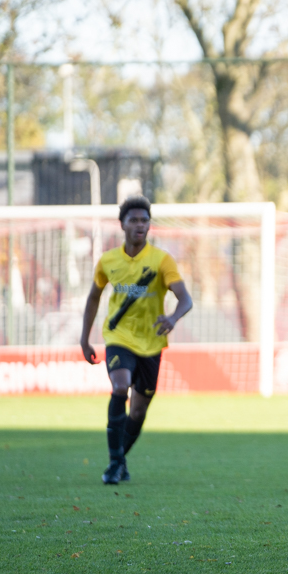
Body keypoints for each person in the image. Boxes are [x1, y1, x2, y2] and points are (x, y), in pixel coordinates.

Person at [80, 196, 193, 485]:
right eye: (134, 220)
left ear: (149, 225)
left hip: (152, 343)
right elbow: (93, 297)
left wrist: (173, 318)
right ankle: (115, 464)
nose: (140, 225)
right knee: (120, 387)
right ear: (123, 225)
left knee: (139, 411)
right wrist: (85, 338)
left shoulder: (161, 260)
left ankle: (118, 462)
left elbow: (185, 299)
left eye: (144, 220)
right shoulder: (108, 261)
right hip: (118, 337)